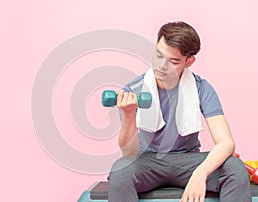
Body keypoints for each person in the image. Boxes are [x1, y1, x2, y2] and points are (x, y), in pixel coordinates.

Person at [108, 21, 251, 202]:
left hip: (189, 161)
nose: (161, 66)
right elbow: (129, 154)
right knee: (121, 170)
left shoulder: (202, 88)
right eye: (159, 55)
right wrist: (129, 115)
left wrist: (200, 174)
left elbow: (226, 142)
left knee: (234, 167)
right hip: (148, 162)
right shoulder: (133, 90)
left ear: (188, 61)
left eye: (173, 61)